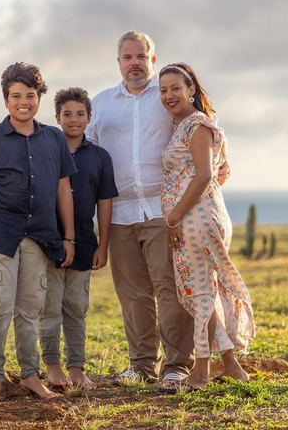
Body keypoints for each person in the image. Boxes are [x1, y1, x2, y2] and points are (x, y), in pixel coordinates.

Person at [86, 31, 230, 393]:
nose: (134, 62)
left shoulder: (167, 95)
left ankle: (177, 366)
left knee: (171, 289)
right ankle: (141, 365)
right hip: (117, 211)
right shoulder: (101, 103)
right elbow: (86, 147)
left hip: (164, 210)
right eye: (127, 57)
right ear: (118, 61)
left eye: (141, 56)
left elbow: (206, 128)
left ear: (152, 59)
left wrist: (222, 159)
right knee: (132, 292)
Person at [0, 62, 77, 402]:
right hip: (0, 234)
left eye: (30, 95)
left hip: (41, 236)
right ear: (6, 100)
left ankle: (30, 375)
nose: (23, 102)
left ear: (39, 98)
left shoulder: (54, 139)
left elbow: (63, 191)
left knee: (31, 309)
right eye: (16, 96)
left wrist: (69, 237)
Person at [159, 62, 255, 391]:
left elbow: (204, 175)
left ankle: (201, 372)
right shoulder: (186, 125)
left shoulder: (198, 124)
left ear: (192, 91)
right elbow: (218, 165)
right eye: (163, 90)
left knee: (200, 293)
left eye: (176, 88)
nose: (169, 95)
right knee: (200, 294)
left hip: (196, 217)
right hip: (194, 215)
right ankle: (231, 366)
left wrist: (173, 218)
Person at [39, 88, 118, 390]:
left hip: (85, 242)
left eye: (80, 114)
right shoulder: (47, 150)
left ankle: (76, 368)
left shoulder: (100, 157)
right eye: (67, 114)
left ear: (89, 117)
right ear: (57, 117)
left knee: (76, 307)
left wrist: (103, 245)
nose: (74, 120)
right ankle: (52, 365)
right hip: (49, 241)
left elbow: (105, 202)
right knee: (49, 307)